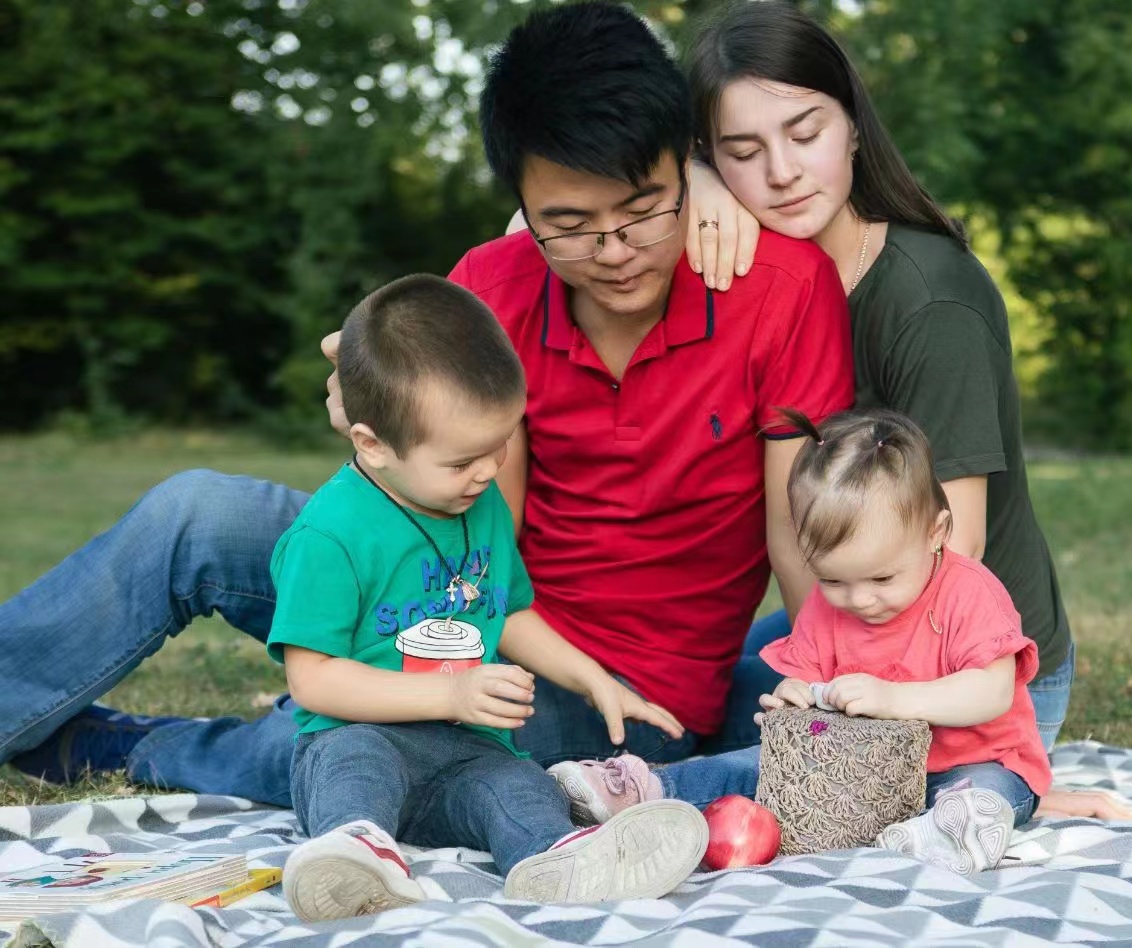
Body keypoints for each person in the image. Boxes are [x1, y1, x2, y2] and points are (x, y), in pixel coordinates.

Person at [0, 2, 853, 807]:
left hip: (612, 687)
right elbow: (453, 516)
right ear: (521, 203)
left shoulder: (782, 290)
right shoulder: (491, 285)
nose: (615, 252)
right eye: (571, 225)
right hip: (457, 592)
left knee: (362, 743)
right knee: (196, 513)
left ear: (684, 166)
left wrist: (827, 684)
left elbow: (793, 527)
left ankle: (130, 748)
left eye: (641, 213)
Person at [674, 1, 1078, 760]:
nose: (782, 172)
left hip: (975, 669)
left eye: (805, 133)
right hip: (856, 618)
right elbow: (548, 226)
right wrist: (693, 179)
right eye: (742, 151)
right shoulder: (750, 275)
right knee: (684, 706)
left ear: (853, 124)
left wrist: (827, 702)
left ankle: (1019, 789)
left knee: (755, 764)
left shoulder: (932, 305)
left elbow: (953, 551)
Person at [273, 273, 706, 919]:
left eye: (498, 445)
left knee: (517, 784)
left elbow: (508, 613)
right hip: (363, 733)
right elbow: (313, 681)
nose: (486, 470)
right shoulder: (330, 534)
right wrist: (448, 693)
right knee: (351, 762)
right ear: (372, 444)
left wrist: (593, 678)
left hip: (470, 747)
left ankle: (561, 859)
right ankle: (356, 851)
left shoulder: (479, 504)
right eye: (459, 461)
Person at [549, 408, 1052, 877]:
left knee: (988, 791)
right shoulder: (829, 605)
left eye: (882, 579)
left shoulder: (968, 592)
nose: (859, 600)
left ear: (936, 532)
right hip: (851, 769)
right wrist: (795, 700)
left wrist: (894, 699)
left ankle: (956, 831)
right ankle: (645, 792)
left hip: (967, 764)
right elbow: (809, 681)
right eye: (834, 581)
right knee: (760, 762)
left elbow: (992, 693)